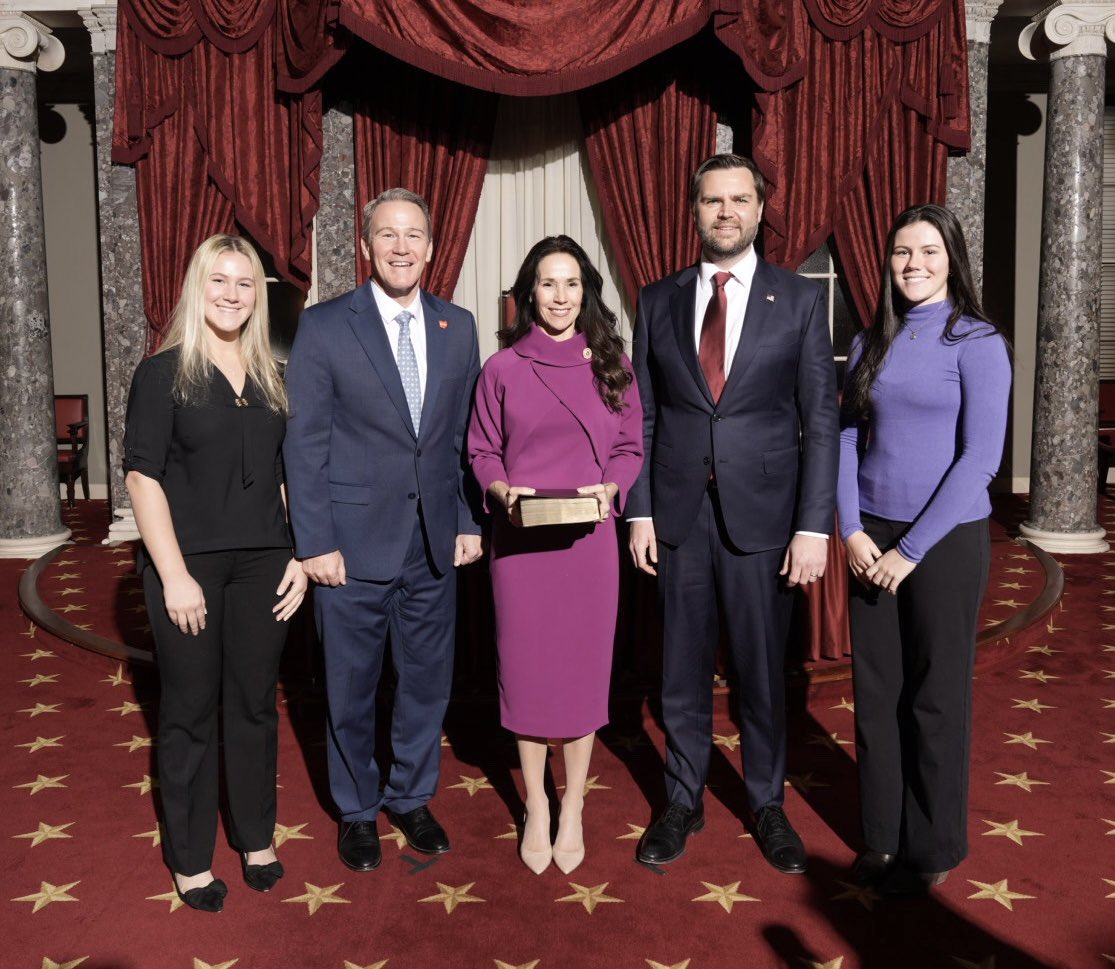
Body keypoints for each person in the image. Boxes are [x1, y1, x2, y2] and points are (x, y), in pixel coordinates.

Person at [628, 153, 839, 874]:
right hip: (679, 519)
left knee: (759, 673)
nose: (725, 212)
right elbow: (645, 417)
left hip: (766, 522)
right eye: (712, 200)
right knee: (679, 675)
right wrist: (640, 512)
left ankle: (765, 802)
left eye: (738, 199)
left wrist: (813, 525)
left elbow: (820, 417)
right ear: (693, 212)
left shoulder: (801, 300)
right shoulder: (654, 300)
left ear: (758, 210)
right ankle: (681, 800)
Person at [283, 188, 483, 873]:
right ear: (365, 247)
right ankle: (358, 808)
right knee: (351, 686)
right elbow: (304, 442)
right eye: (387, 235)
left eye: (414, 235)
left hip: (432, 545)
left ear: (431, 247)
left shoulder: (459, 325)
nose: (401, 247)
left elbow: (458, 439)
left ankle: (411, 795)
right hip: (350, 545)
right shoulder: (327, 325)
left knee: (426, 683)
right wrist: (313, 543)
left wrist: (463, 519)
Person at [123, 234, 306, 912]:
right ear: (197, 288)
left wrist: (300, 556)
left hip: (265, 563)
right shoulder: (162, 372)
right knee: (190, 710)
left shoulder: (272, 376)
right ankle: (191, 857)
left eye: (245, 283)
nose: (232, 293)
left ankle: (256, 838)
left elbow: (290, 476)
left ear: (259, 296)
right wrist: (172, 575)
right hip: (189, 564)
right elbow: (143, 479)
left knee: (256, 704)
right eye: (219, 280)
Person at [838, 203, 1011, 894]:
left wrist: (906, 550)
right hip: (868, 534)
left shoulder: (976, 340)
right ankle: (880, 835)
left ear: (951, 259)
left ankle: (932, 842)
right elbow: (845, 442)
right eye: (901, 252)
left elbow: (979, 459)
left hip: (942, 540)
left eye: (928, 251)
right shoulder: (866, 343)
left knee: (934, 696)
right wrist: (850, 529)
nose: (913, 264)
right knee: (875, 694)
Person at [468, 236, 643, 875]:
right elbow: (482, 450)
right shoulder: (502, 368)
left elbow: (630, 447)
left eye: (572, 284)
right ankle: (537, 804)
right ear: (528, 293)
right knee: (528, 672)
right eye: (548, 284)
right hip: (521, 547)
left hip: (589, 547)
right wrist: (499, 487)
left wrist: (613, 489)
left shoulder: (612, 362)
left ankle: (572, 809)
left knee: (580, 674)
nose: (561, 297)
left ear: (585, 291)